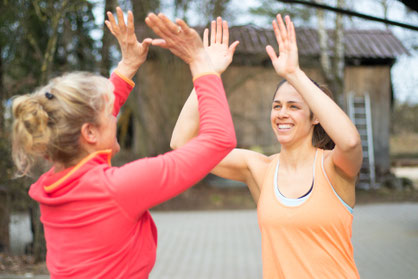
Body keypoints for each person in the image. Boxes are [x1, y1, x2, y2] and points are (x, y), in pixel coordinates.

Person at [11, 7, 236, 278]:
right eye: (110, 113)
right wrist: (201, 62)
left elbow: (79, 123)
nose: (116, 116)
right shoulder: (117, 188)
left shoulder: (52, 186)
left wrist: (127, 65)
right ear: (90, 134)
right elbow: (219, 139)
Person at [171, 15, 362, 278]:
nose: (282, 113)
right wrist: (208, 73)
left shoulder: (333, 167)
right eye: (277, 106)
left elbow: (350, 141)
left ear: (315, 116)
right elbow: (182, 144)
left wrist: (294, 74)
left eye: (294, 106)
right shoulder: (258, 169)